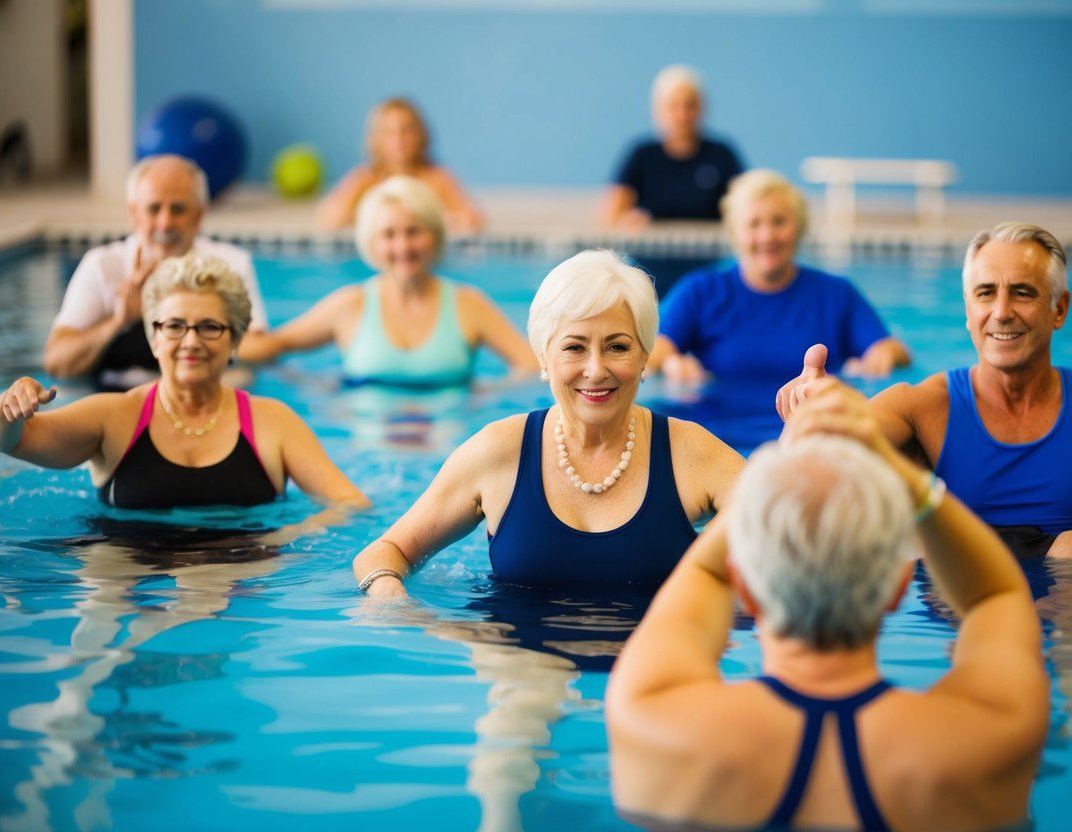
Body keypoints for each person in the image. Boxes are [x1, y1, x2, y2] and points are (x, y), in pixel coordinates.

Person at [607, 383, 1048, 831]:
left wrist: (778, 467)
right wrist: (903, 476)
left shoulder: (651, 716)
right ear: (898, 586)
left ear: (746, 584)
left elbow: (702, 572)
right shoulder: (989, 735)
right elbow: (997, 595)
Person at [776, 222, 1072, 562]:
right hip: (962, 589)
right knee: (932, 544)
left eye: (1023, 292)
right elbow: (832, 456)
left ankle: (1066, 670)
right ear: (968, 310)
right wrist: (817, 411)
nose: (1001, 312)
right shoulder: (925, 405)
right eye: (985, 293)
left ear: (1060, 309)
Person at [352, 249, 745, 597]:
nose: (595, 369)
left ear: (645, 357)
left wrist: (805, 433)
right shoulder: (498, 451)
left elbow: (793, 530)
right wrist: (397, 607)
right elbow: (386, 552)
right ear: (543, 358)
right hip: (523, 669)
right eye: (574, 347)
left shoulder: (689, 452)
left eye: (618, 347)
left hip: (651, 673)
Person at [0, 253, 369, 512]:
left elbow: (351, 505)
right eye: (174, 326)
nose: (191, 341)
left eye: (209, 327)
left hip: (239, 583)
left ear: (236, 340)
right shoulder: (114, 415)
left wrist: (286, 540)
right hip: (126, 576)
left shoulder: (272, 422)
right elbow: (11, 440)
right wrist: (9, 403)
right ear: (154, 338)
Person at [240, 176, 535, 385]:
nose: (402, 246)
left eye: (414, 232)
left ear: (434, 235)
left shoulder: (467, 305)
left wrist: (484, 397)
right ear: (372, 242)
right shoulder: (350, 305)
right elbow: (275, 344)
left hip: (450, 453)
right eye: (389, 234)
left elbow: (531, 365)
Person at [647, 168, 911, 384]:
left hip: (811, 433)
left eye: (779, 222)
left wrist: (881, 356)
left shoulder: (836, 294)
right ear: (735, 233)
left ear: (799, 227)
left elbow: (895, 351)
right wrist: (671, 363)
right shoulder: (701, 291)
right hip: (720, 434)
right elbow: (651, 353)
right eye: (754, 224)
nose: (767, 236)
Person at [43, 154, 270, 390]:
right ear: (134, 213)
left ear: (199, 215)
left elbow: (260, 351)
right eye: (153, 209)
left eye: (178, 209)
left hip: (203, 395)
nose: (165, 223)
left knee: (240, 378)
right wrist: (119, 321)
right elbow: (57, 364)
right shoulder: (103, 266)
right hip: (121, 397)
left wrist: (207, 319)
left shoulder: (229, 264)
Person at [598, 65, 744, 230]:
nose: (682, 115)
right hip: (649, 255)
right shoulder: (642, 155)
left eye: (690, 105)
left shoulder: (721, 154)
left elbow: (747, 205)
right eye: (673, 106)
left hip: (713, 255)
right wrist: (628, 219)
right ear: (658, 110)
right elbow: (611, 213)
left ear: (702, 108)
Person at [316, 96, 485, 234]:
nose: (398, 140)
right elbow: (329, 218)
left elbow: (473, 220)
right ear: (376, 138)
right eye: (390, 133)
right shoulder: (366, 178)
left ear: (420, 135)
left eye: (406, 131)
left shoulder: (436, 178)